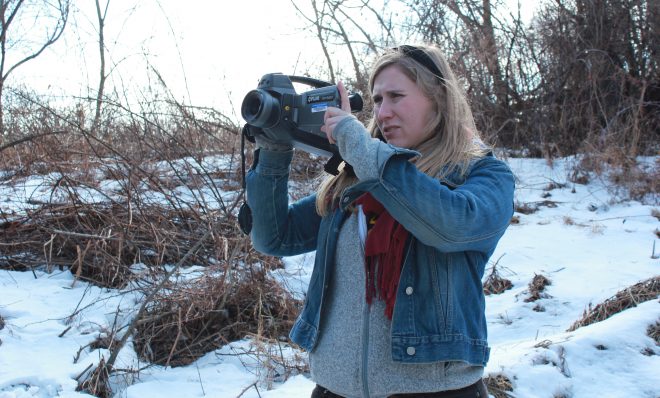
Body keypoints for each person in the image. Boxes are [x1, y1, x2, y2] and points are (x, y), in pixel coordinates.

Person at [245, 44, 515, 398]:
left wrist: (356, 144)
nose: (383, 112)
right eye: (377, 100)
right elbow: (273, 237)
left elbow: (451, 226)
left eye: (396, 96)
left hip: (435, 391)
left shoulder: (481, 174)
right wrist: (274, 152)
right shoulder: (354, 182)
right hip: (334, 390)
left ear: (438, 99)